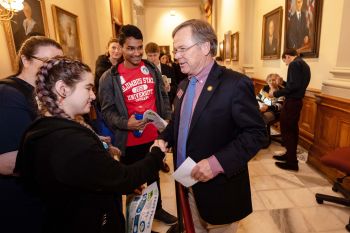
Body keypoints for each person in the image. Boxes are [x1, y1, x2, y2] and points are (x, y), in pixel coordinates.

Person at [14, 56, 167, 233]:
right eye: (88, 88)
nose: (93, 96)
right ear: (63, 89)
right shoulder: (71, 141)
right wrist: (156, 154)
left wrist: (107, 179)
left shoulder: (38, 130)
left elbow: (84, 176)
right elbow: (125, 178)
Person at [156, 19, 267, 233]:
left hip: (220, 191)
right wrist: (164, 137)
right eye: (174, 50)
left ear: (205, 47)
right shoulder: (183, 84)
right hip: (186, 184)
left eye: (181, 49)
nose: (176, 55)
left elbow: (256, 134)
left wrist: (216, 163)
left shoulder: (235, 84)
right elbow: (180, 122)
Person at [98, 24, 177, 226]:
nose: (136, 53)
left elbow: (162, 96)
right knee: (132, 183)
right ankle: (135, 220)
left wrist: (166, 122)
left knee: (153, 176)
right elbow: (107, 111)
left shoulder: (150, 68)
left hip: (154, 136)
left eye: (139, 47)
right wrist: (126, 123)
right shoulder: (109, 77)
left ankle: (157, 209)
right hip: (129, 140)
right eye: (130, 48)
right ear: (121, 47)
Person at [0, 36, 63, 233]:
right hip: (19, 202)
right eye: (47, 62)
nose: (54, 69)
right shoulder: (9, 95)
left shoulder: (40, 94)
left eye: (58, 63)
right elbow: (7, 162)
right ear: (25, 60)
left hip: (39, 197)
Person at [272, 48, 311, 171]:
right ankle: (290, 156)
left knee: (287, 130)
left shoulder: (294, 64)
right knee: (292, 131)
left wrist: (276, 93)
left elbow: (293, 87)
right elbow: (296, 85)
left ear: (288, 56)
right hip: (297, 101)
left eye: (285, 61)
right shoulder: (304, 64)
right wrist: (283, 82)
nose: (286, 64)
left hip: (291, 103)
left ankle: (291, 162)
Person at [145, 42, 177, 106]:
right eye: (150, 56)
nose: (153, 58)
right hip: (149, 105)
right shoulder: (143, 70)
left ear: (159, 53)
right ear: (146, 55)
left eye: (155, 55)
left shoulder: (169, 69)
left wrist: (169, 88)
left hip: (166, 105)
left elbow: (176, 87)